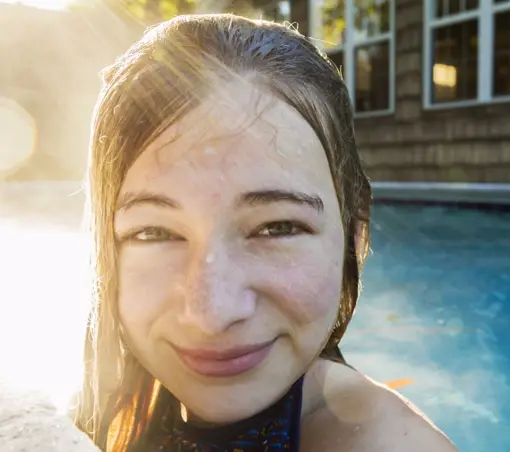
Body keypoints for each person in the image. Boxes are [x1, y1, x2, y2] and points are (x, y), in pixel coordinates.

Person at [72, 13, 458, 452]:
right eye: (154, 233)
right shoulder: (129, 399)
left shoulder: (386, 444)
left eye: (277, 227)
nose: (212, 314)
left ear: (355, 236)